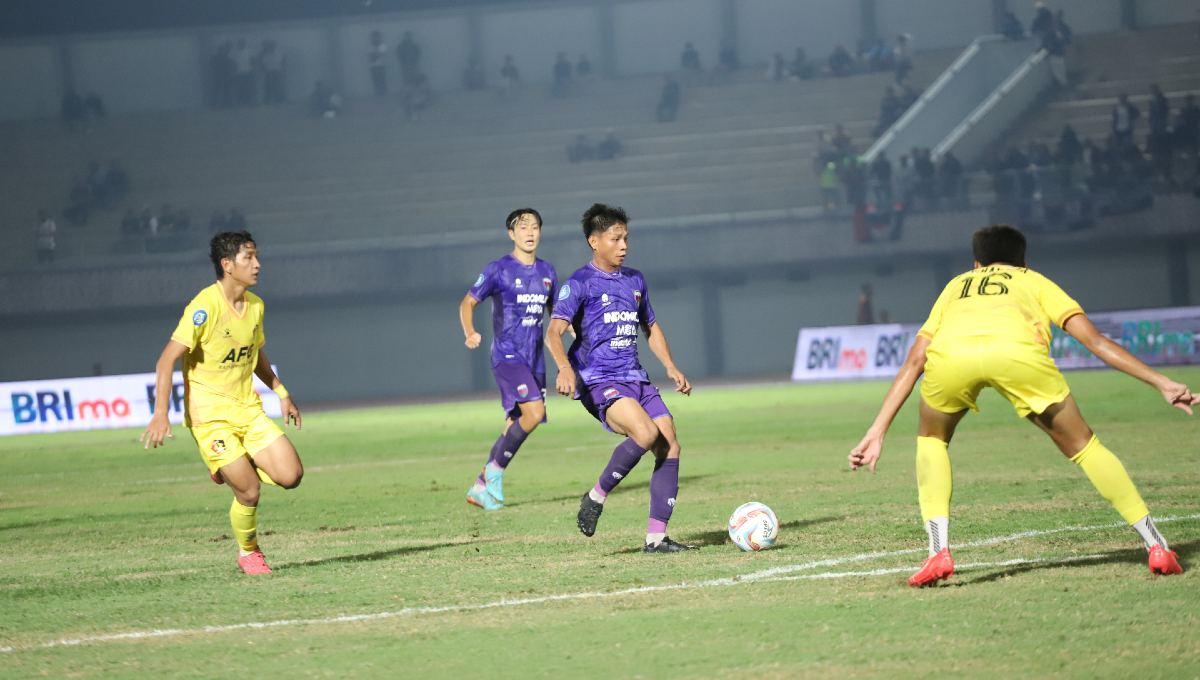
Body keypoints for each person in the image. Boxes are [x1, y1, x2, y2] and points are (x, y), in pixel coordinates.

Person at [849, 225, 1193, 587]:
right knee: (1084, 446)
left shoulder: (957, 285)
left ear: (976, 262)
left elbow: (916, 359)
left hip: (953, 358)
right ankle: (1156, 545)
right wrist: (1162, 382)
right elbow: (1094, 341)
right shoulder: (1035, 281)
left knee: (932, 439)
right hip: (1017, 355)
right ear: (1024, 261)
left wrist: (877, 431)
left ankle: (938, 551)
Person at [140, 231, 304, 575]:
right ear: (227, 265)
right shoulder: (204, 307)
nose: (257, 264)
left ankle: (233, 463)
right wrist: (160, 415)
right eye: (248, 258)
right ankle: (249, 552)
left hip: (247, 410)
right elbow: (165, 361)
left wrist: (282, 392)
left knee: (291, 475)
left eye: (257, 256)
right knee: (249, 491)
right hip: (210, 417)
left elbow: (256, 356)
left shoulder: (256, 306)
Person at [547, 204, 694, 553]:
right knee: (645, 433)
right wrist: (565, 369)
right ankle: (596, 497)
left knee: (669, 442)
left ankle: (656, 539)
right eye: (616, 238)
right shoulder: (580, 283)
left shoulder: (635, 280)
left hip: (635, 377)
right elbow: (554, 333)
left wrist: (671, 367)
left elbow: (650, 327)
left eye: (626, 237)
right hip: (598, 378)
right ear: (594, 242)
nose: (624, 245)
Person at [458, 209, 557, 510]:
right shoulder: (498, 269)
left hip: (534, 359)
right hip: (507, 355)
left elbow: (557, 317)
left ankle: (480, 486)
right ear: (511, 234)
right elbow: (468, 302)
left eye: (535, 227)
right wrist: (470, 331)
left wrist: (578, 338)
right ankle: (495, 472)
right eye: (523, 227)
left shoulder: (548, 272)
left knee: (517, 421)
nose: (530, 232)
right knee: (535, 413)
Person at [368, 30, 388, 97]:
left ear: (379, 37)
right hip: (373, 66)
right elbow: (370, 57)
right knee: (375, 81)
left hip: (381, 66)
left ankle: (384, 95)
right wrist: (375, 55)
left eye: (377, 37)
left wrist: (375, 55)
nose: (375, 38)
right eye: (374, 37)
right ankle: (377, 95)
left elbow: (381, 54)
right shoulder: (370, 46)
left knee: (382, 81)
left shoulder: (383, 45)